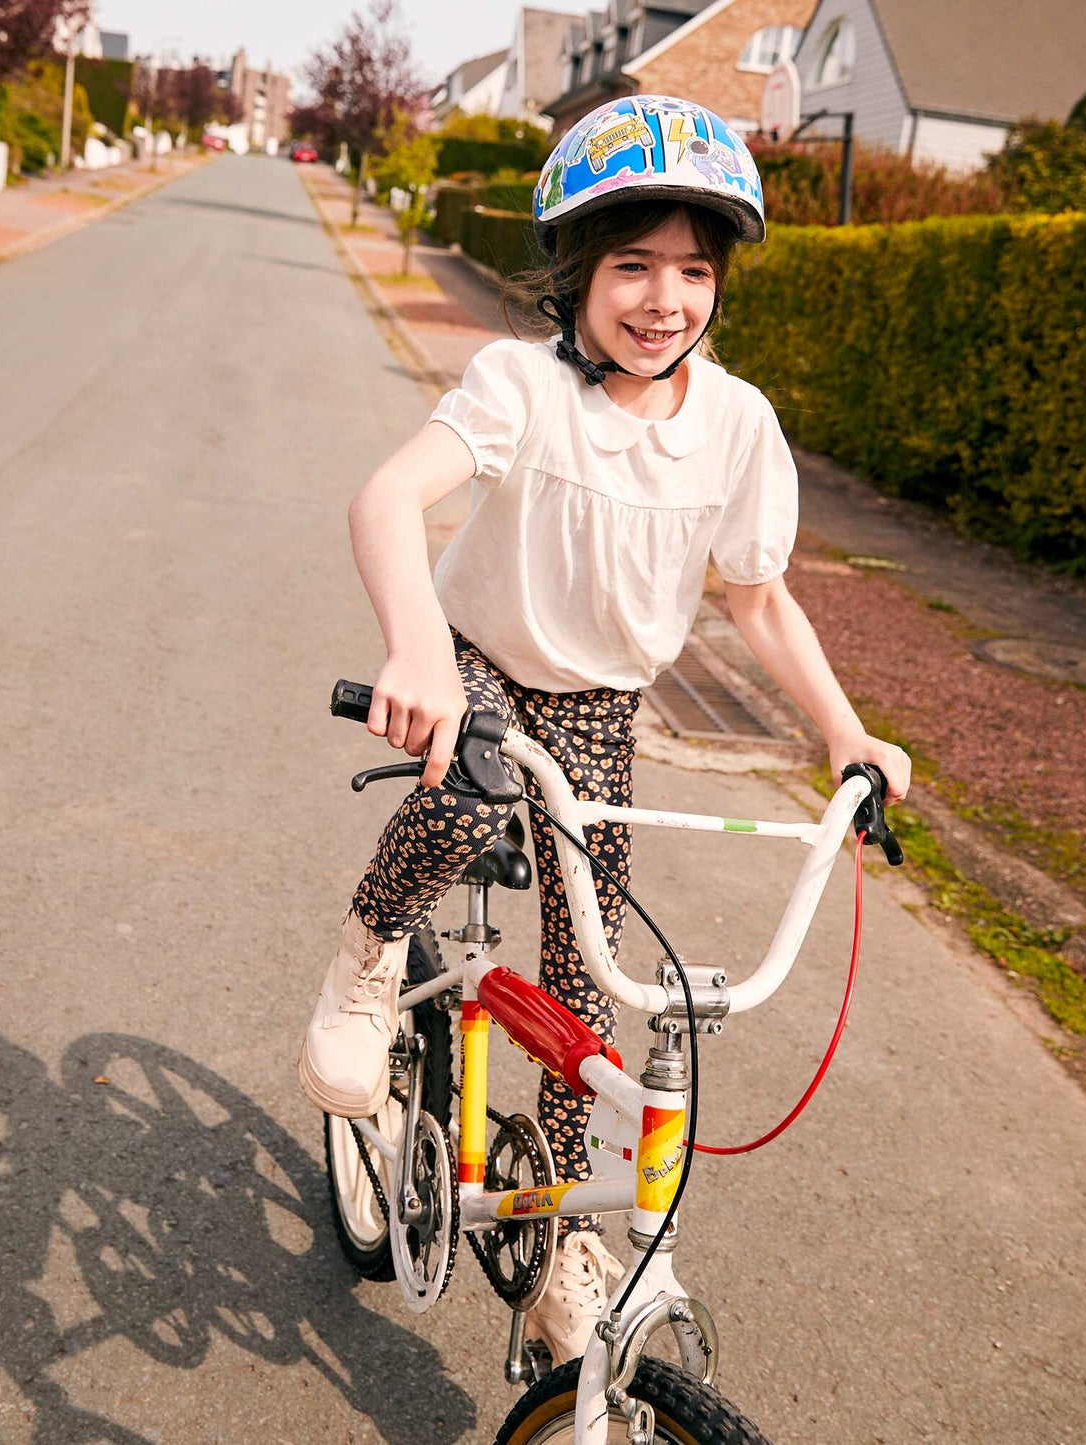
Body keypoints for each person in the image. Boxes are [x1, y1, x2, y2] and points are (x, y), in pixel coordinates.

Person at [300, 95, 911, 1366]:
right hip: (476, 663)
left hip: (600, 710)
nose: (662, 297)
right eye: (631, 264)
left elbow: (756, 597)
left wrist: (846, 733)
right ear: (575, 272)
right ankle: (365, 953)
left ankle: (566, 1253)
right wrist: (419, 653)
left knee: (588, 983)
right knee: (464, 797)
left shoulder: (737, 424)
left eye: (692, 268)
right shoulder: (522, 385)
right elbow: (386, 495)